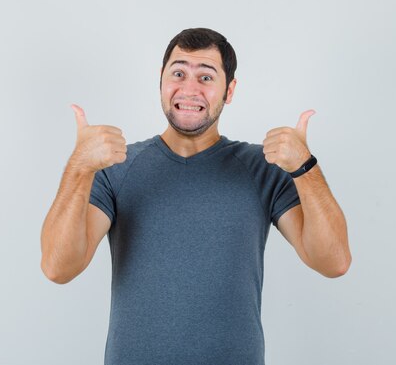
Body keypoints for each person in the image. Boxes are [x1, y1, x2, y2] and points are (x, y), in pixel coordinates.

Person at [40, 28, 351, 365]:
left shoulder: (263, 169)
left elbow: (333, 262)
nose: (189, 89)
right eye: (178, 73)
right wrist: (79, 169)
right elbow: (59, 268)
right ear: (161, 81)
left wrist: (305, 167)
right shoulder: (116, 168)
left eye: (206, 76)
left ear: (229, 90)